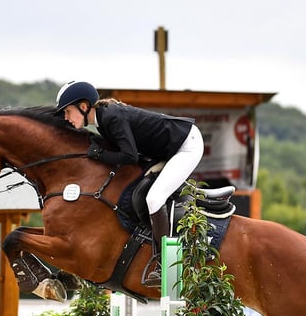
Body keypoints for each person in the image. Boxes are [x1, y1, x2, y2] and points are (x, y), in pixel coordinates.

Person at [55, 80, 205, 286]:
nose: (66, 118)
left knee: (154, 198)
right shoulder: (103, 120)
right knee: (138, 194)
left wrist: (99, 154)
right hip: (167, 150)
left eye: (67, 111)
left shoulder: (110, 117)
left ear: (83, 106)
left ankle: (166, 264)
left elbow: (129, 156)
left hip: (186, 145)